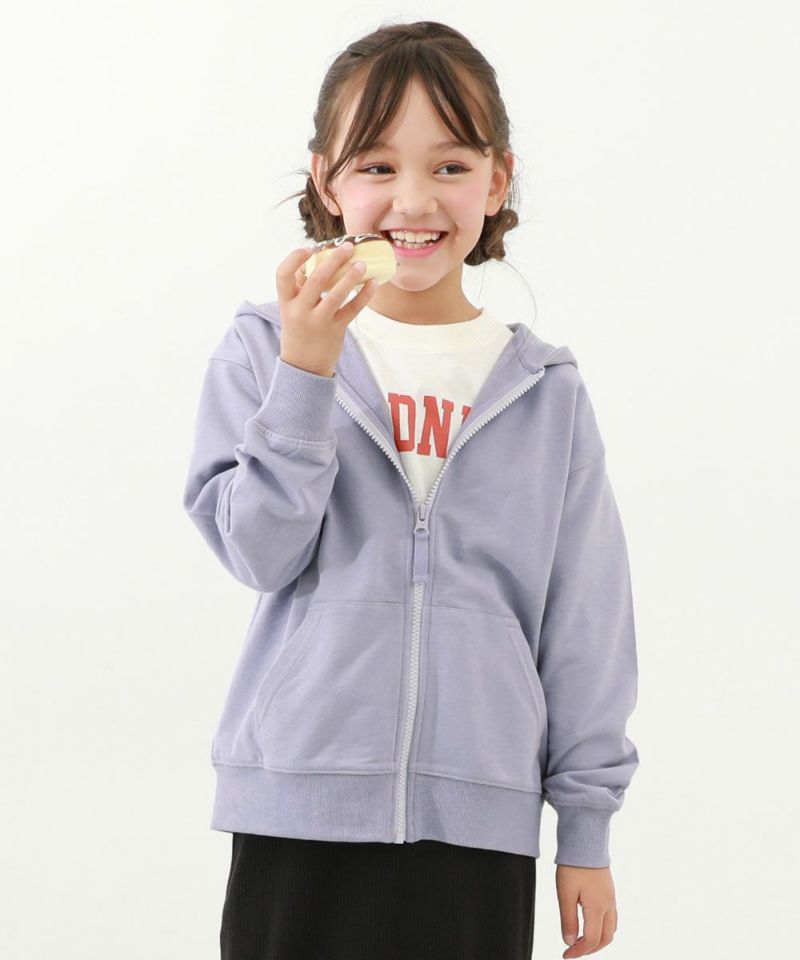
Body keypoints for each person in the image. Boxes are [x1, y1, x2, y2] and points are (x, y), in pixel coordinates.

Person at [182, 19, 640, 960]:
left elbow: (587, 620)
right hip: (298, 805)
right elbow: (259, 551)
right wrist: (307, 372)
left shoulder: (545, 390)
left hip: (479, 823)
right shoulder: (266, 347)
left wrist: (585, 830)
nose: (414, 200)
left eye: (451, 166)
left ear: (497, 181)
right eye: (378, 166)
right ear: (328, 182)